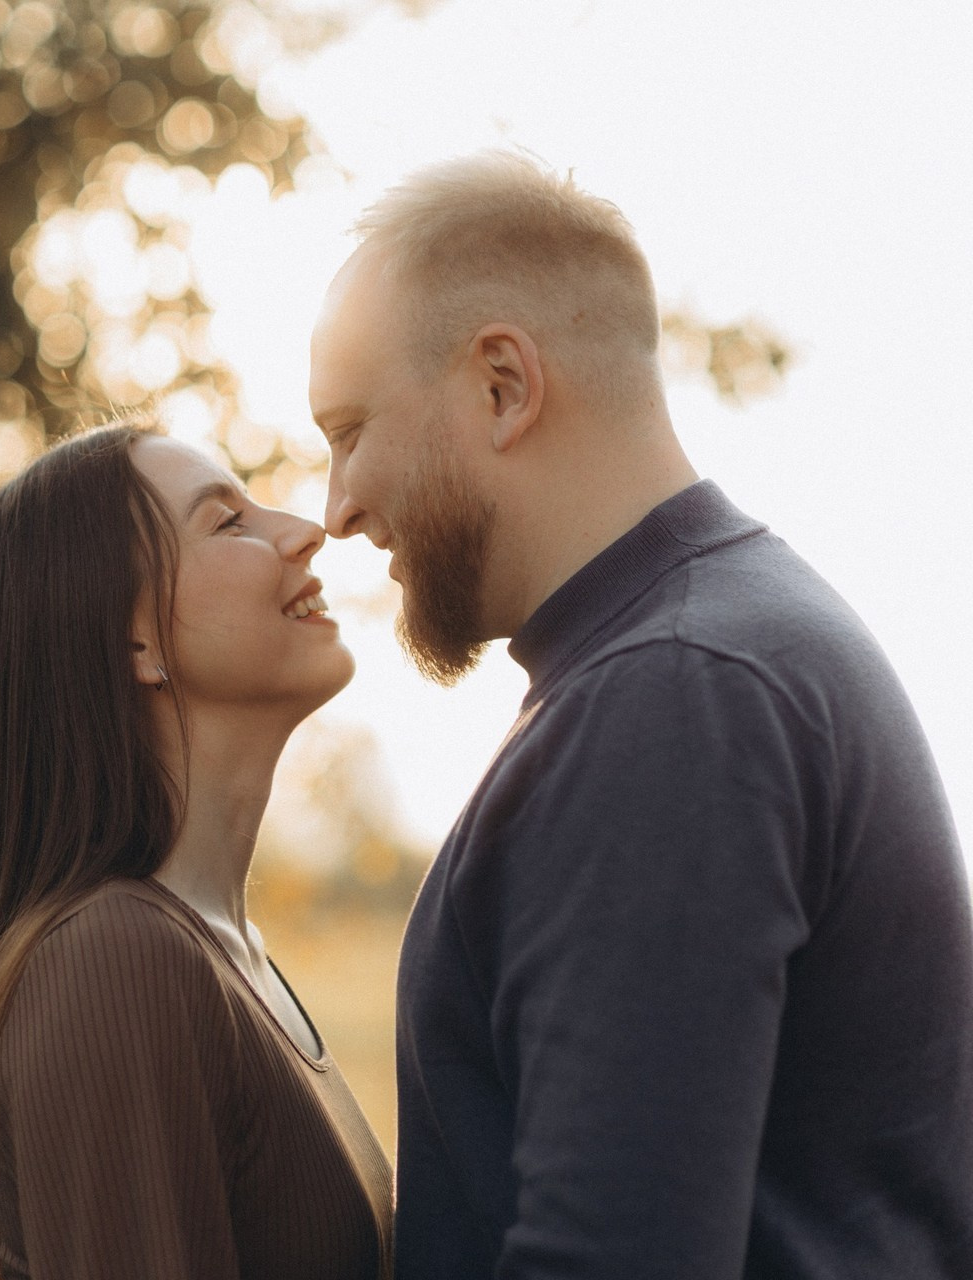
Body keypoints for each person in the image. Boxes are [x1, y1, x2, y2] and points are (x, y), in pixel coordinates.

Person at [308, 150, 973, 1279]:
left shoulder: (674, 697)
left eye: (348, 428)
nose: (336, 508)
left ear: (500, 386)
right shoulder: (706, 655)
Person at [0, 423, 392, 1280]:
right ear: (130, 641)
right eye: (227, 521)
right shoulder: (112, 960)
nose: (303, 529)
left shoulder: (218, 955)